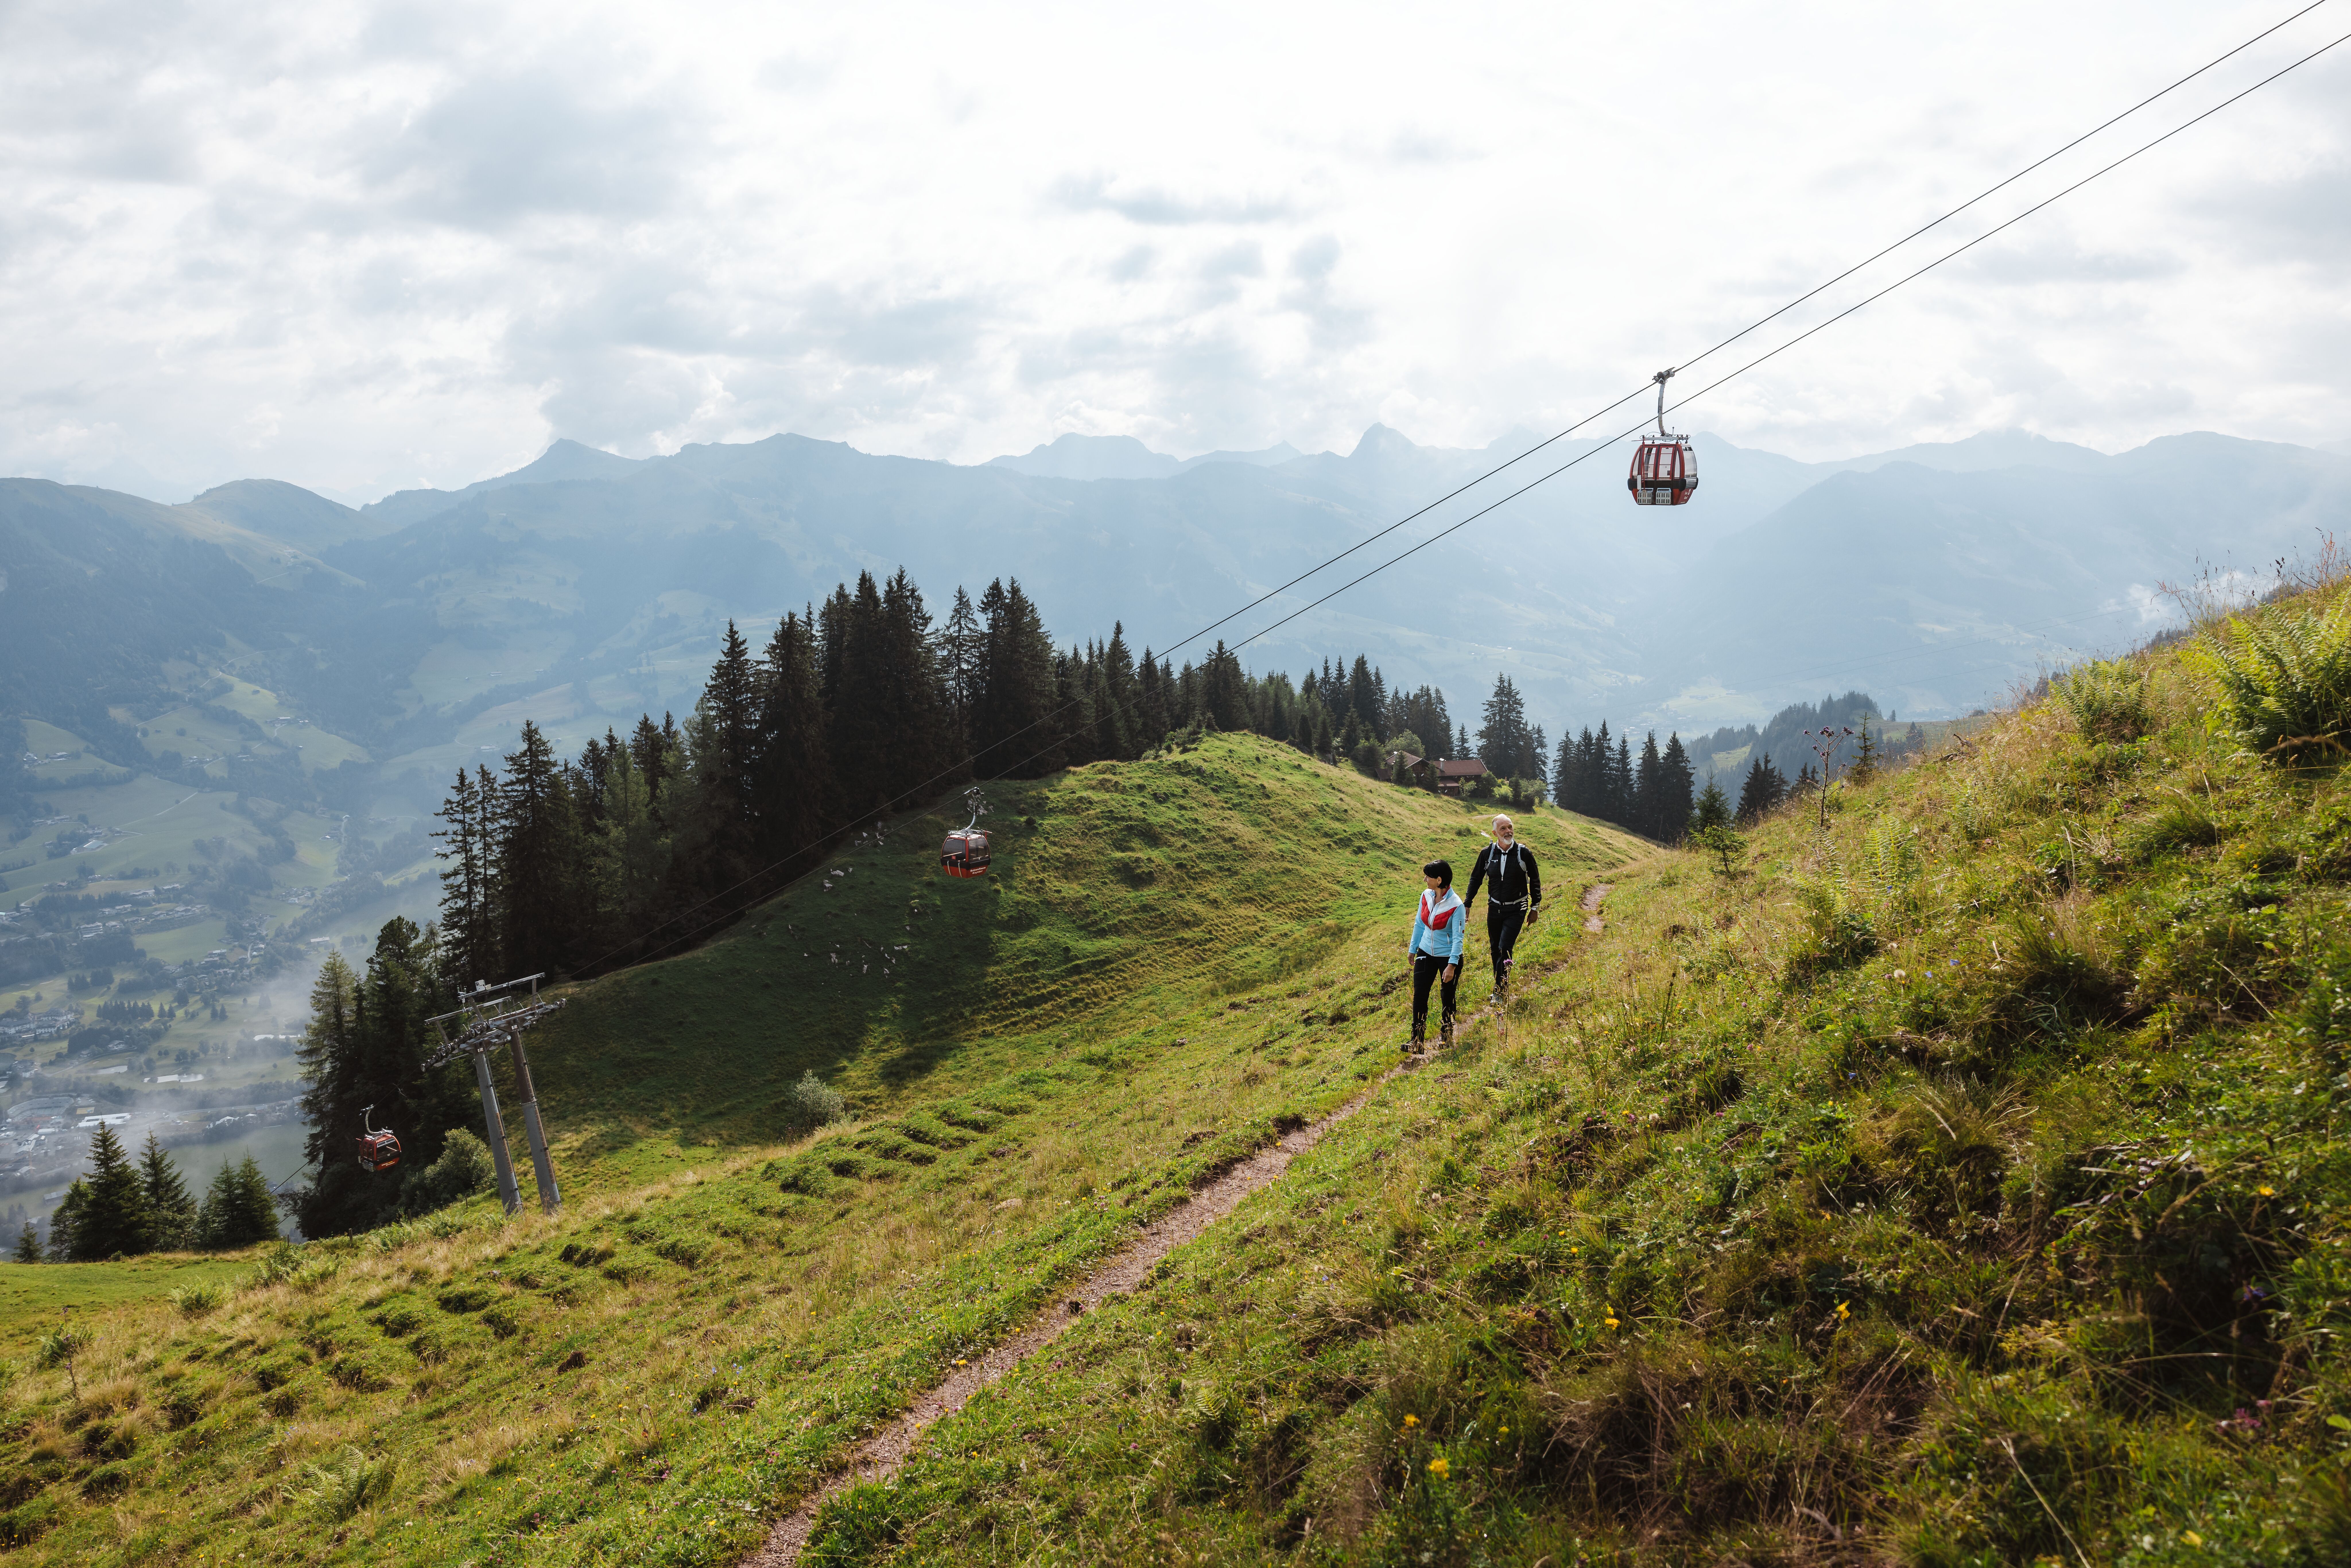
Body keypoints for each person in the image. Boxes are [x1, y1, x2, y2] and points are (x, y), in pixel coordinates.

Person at [1464, 813, 1542, 1003]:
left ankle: (1499, 993)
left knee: (1505, 948)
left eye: (1510, 827)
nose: (1508, 832)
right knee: (1494, 950)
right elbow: (1476, 879)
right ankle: (1501, 987)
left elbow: (1535, 880)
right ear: (1495, 833)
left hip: (1517, 909)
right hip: (1494, 909)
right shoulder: (1488, 854)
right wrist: (1468, 903)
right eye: (1503, 829)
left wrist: (1535, 908)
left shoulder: (1524, 853)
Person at [1406, 858, 1464, 1050]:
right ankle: (1418, 1041)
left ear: (1439, 880)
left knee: (1447, 996)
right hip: (1425, 952)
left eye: (1428, 877)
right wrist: (1413, 949)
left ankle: (1447, 1036)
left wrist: (1452, 965)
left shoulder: (1457, 905)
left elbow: (1458, 939)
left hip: (1448, 957)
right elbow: (1419, 923)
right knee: (1420, 996)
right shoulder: (1426, 896)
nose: (1425, 880)